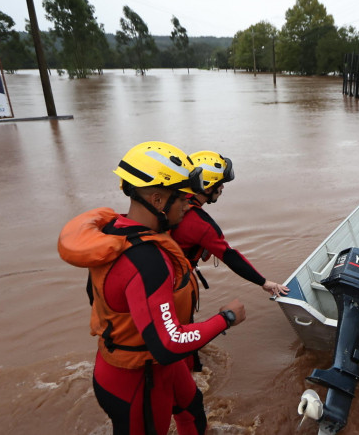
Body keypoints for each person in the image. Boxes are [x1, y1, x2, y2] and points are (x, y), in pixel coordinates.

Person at [58, 141, 246, 435]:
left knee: (192, 409)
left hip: (152, 366)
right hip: (137, 380)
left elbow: (95, 295)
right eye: (182, 199)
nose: (189, 205)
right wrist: (228, 318)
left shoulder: (115, 232)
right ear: (158, 201)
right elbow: (168, 343)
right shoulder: (147, 260)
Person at [171, 150, 289, 298]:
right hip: (174, 286)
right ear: (207, 188)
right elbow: (229, 256)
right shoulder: (202, 224)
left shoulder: (168, 203)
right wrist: (263, 282)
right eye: (220, 184)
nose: (223, 188)